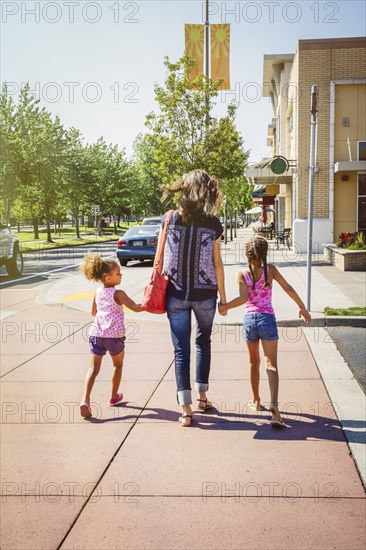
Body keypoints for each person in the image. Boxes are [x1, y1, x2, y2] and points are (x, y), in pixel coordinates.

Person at [218, 236, 311, 427]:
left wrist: (225, 306)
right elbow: (288, 288)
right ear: (264, 254)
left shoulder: (241, 274)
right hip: (267, 319)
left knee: (253, 362)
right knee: (272, 365)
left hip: (249, 321)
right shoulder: (271, 271)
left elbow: (243, 299)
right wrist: (302, 307)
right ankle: (275, 407)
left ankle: (256, 401)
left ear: (246, 254)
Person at [160, 169, 227, 427]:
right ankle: (202, 397)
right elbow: (217, 263)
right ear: (206, 191)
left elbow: (163, 257)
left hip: (175, 293)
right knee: (203, 343)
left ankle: (186, 410)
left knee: (181, 350)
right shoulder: (213, 224)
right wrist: (223, 297)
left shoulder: (169, 219)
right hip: (205, 295)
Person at [79, 253, 141, 419]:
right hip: (114, 336)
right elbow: (135, 307)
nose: (121, 275)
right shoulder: (119, 294)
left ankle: (85, 399)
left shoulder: (98, 292)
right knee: (117, 365)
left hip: (96, 334)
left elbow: (94, 312)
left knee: (93, 369)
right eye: (118, 274)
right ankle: (113, 397)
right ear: (107, 278)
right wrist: (153, 304)